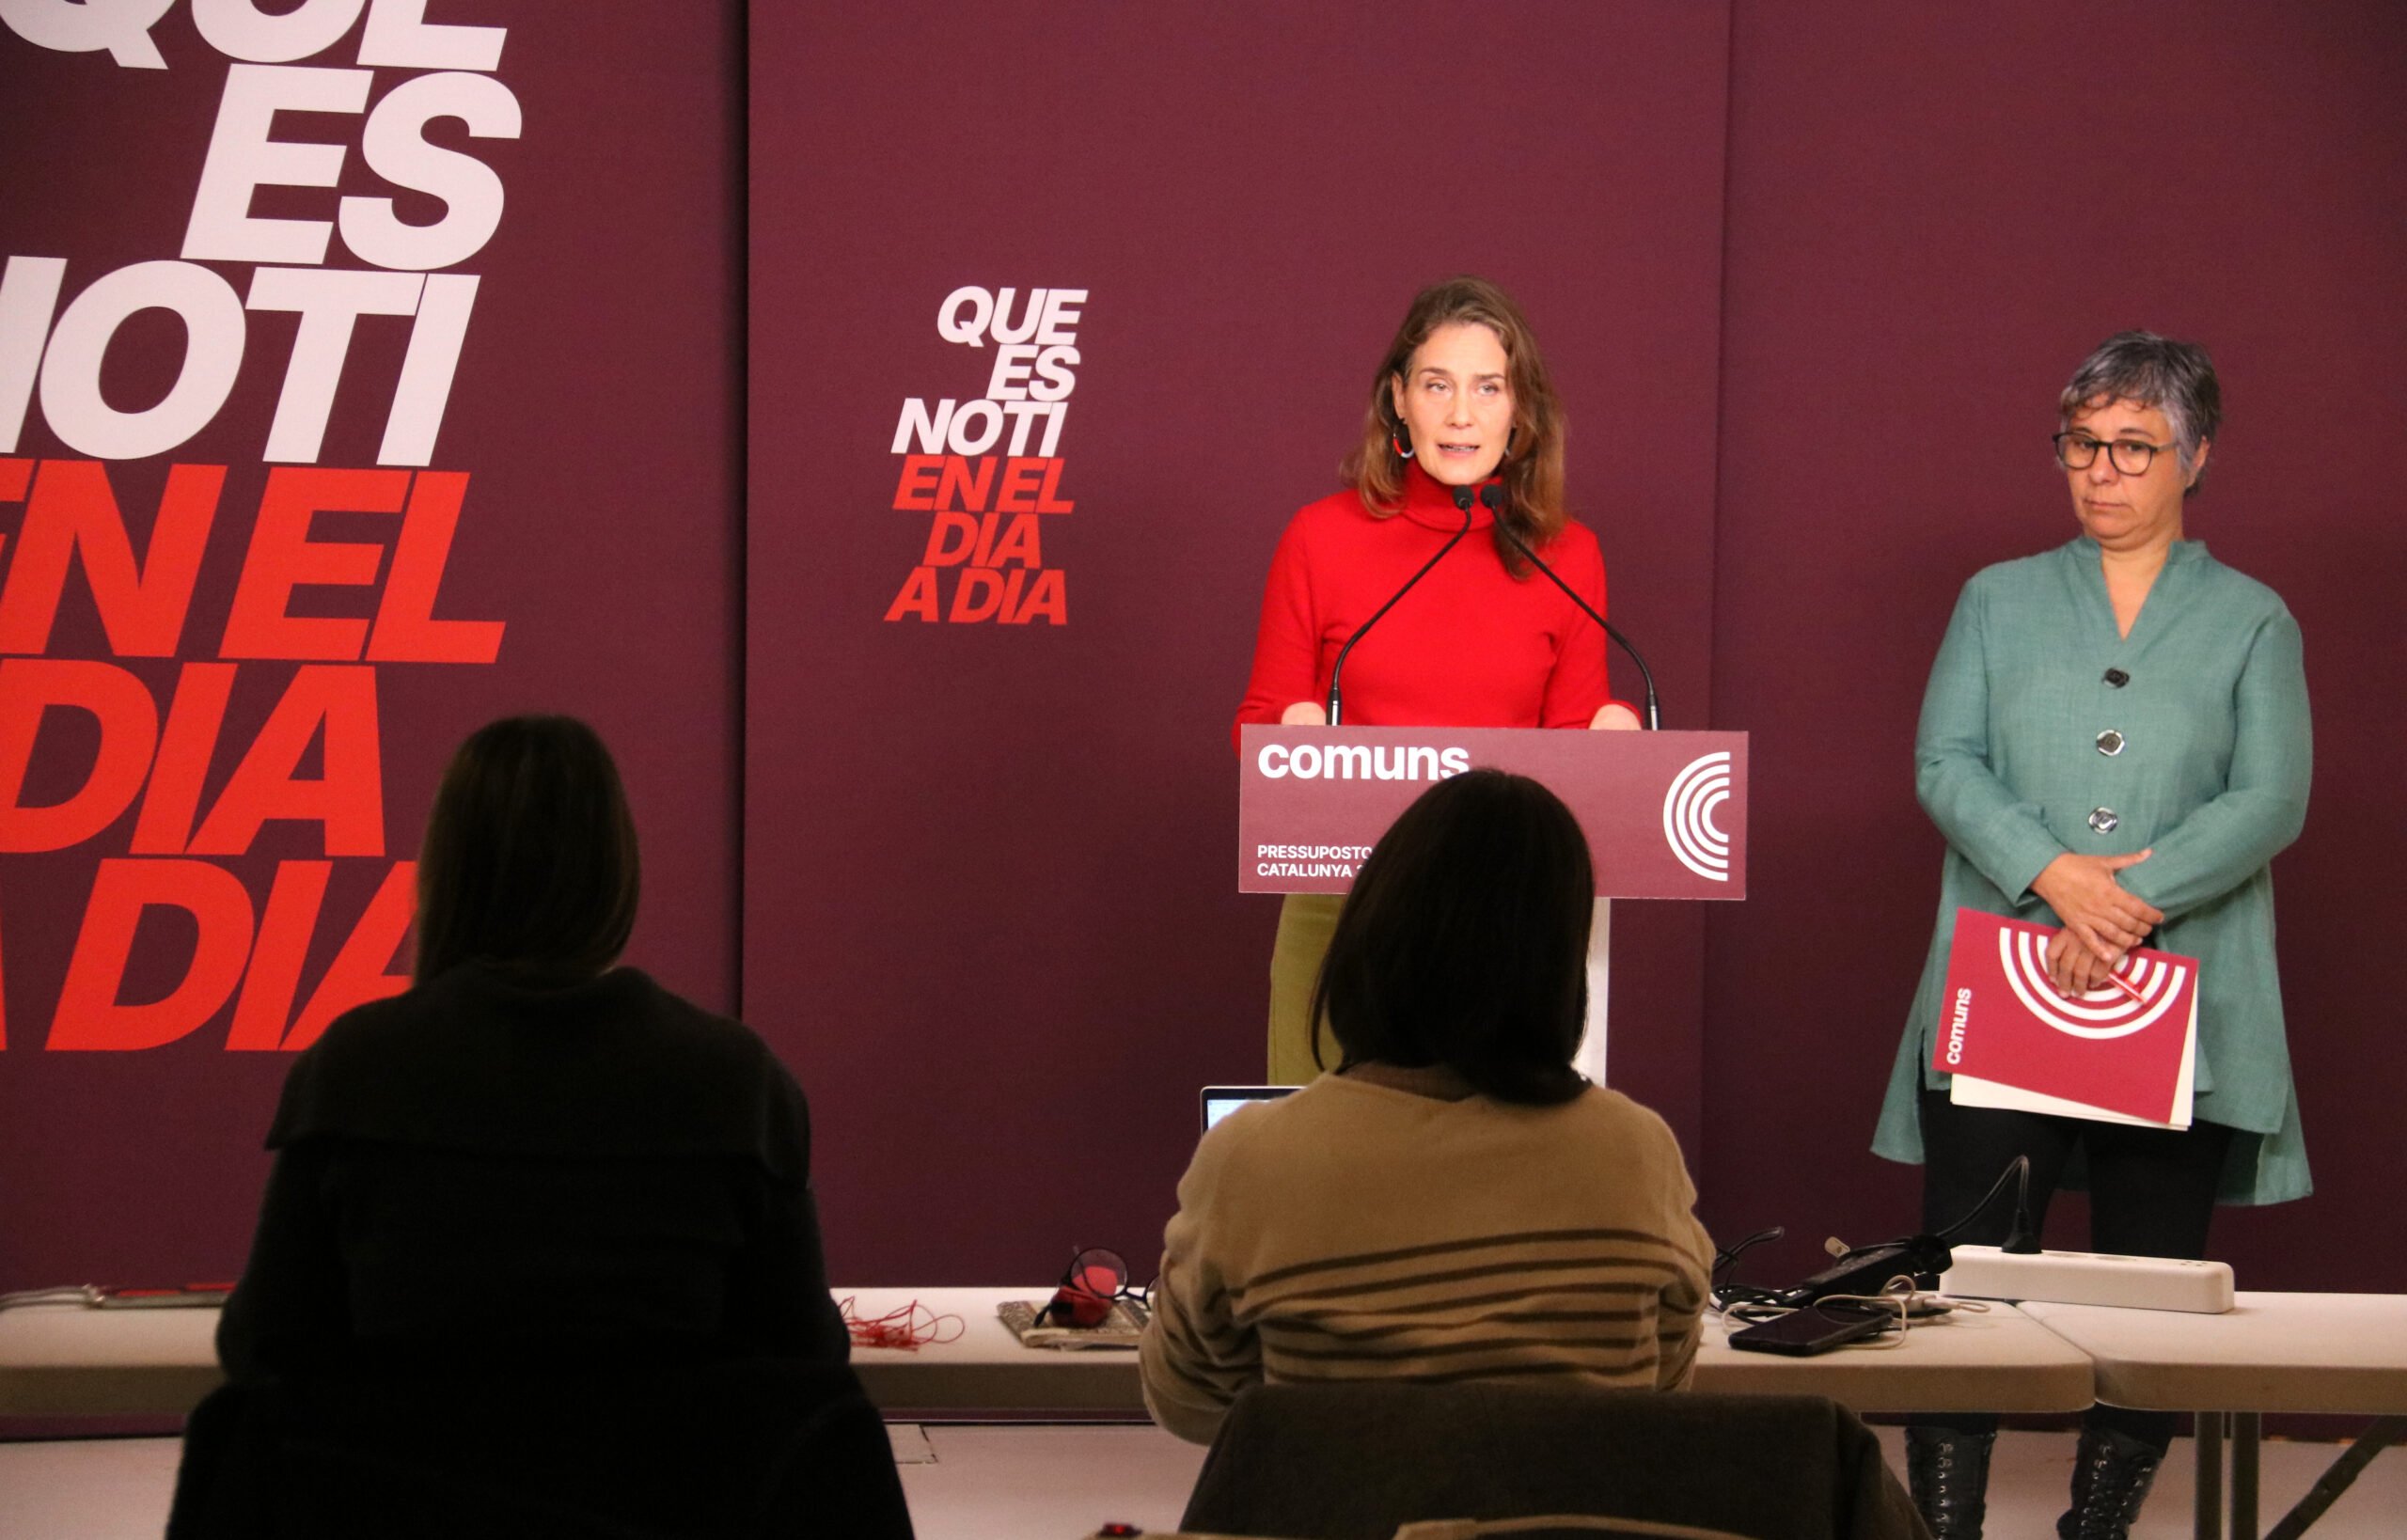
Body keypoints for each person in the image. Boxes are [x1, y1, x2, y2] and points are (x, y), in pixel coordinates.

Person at [172, 715, 908, 1538]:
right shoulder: (736, 1080)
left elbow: (263, 1343)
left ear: (449, 868)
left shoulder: (355, 1067)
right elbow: (806, 1357)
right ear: (614, 869)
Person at [1872, 333, 2311, 1540]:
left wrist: (2125, 903)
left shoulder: (2253, 620)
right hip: (2002, 978)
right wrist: (2056, 875)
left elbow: (2272, 799)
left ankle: (2097, 1527)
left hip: (2180, 994)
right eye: (2080, 445)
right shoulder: (1996, 598)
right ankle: (1944, 1525)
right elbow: (1943, 762)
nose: (2101, 472)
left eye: (2132, 448)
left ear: (2195, 457)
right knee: (1961, 1276)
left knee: (2149, 1292)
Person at [1140, 769, 1714, 1447]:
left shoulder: (1251, 1155)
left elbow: (1186, 1401)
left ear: (1371, 928)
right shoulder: (1637, 1152)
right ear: (1559, 960)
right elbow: (1662, 1381)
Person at [1235, 276, 1640, 1084]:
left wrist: (1610, 748)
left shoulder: (1568, 556)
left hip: (1502, 914)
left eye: (1488, 388)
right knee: (1324, 1150)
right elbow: (1260, 722)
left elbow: (1571, 746)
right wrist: (1288, 739)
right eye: (1436, 385)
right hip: (1343, 902)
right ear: (1398, 401)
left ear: (1520, 410)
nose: (1462, 415)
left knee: (1486, 1153)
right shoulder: (1320, 538)